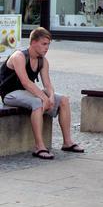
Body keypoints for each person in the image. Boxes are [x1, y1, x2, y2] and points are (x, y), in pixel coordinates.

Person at [0, 27, 84, 160]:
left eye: (48, 45)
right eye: (44, 44)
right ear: (33, 42)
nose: (47, 48)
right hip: (10, 94)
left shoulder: (42, 61)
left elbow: (47, 84)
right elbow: (26, 82)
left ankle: (67, 142)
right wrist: (43, 98)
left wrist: (50, 97)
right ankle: (39, 147)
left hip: (26, 92)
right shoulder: (19, 56)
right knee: (38, 102)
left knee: (64, 100)